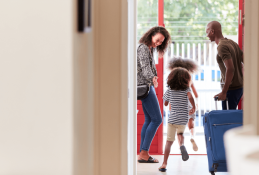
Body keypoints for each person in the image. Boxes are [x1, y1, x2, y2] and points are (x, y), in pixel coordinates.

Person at [137, 26, 171, 163]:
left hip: (146, 85)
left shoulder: (148, 48)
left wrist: (153, 79)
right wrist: (154, 78)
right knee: (157, 119)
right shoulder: (144, 48)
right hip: (145, 86)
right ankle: (144, 152)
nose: (159, 43)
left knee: (149, 119)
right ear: (151, 35)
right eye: (158, 40)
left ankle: (143, 153)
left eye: (162, 42)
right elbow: (145, 69)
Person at [159, 67, 196, 172]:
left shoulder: (170, 90)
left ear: (171, 78)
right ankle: (182, 146)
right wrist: (194, 107)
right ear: (186, 79)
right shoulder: (186, 90)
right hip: (183, 118)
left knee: (169, 142)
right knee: (180, 134)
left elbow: (165, 103)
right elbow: (190, 97)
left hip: (172, 119)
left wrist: (169, 101)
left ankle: (164, 163)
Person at [206, 21, 243, 110]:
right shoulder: (232, 43)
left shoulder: (221, 46)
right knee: (232, 118)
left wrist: (224, 92)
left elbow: (230, 68)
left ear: (212, 31)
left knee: (228, 121)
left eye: (207, 32)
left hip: (231, 90)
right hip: (239, 88)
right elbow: (244, 62)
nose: (206, 35)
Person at [168, 56, 199, 151]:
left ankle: (181, 145)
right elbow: (195, 94)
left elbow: (170, 94)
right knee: (191, 122)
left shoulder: (173, 81)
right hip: (188, 103)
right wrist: (195, 104)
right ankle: (192, 136)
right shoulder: (188, 79)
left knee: (179, 128)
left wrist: (170, 105)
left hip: (177, 105)